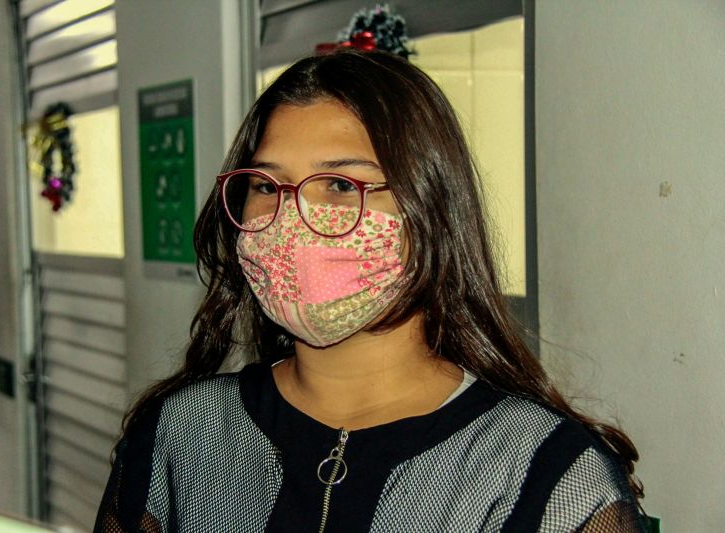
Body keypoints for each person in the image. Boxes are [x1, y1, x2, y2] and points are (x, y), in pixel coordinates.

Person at [94, 49, 646, 532]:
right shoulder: (181, 433)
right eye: (265, 185)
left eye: (339, 184)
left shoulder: (547, 472)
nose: (293, 218)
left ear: (429, 208)